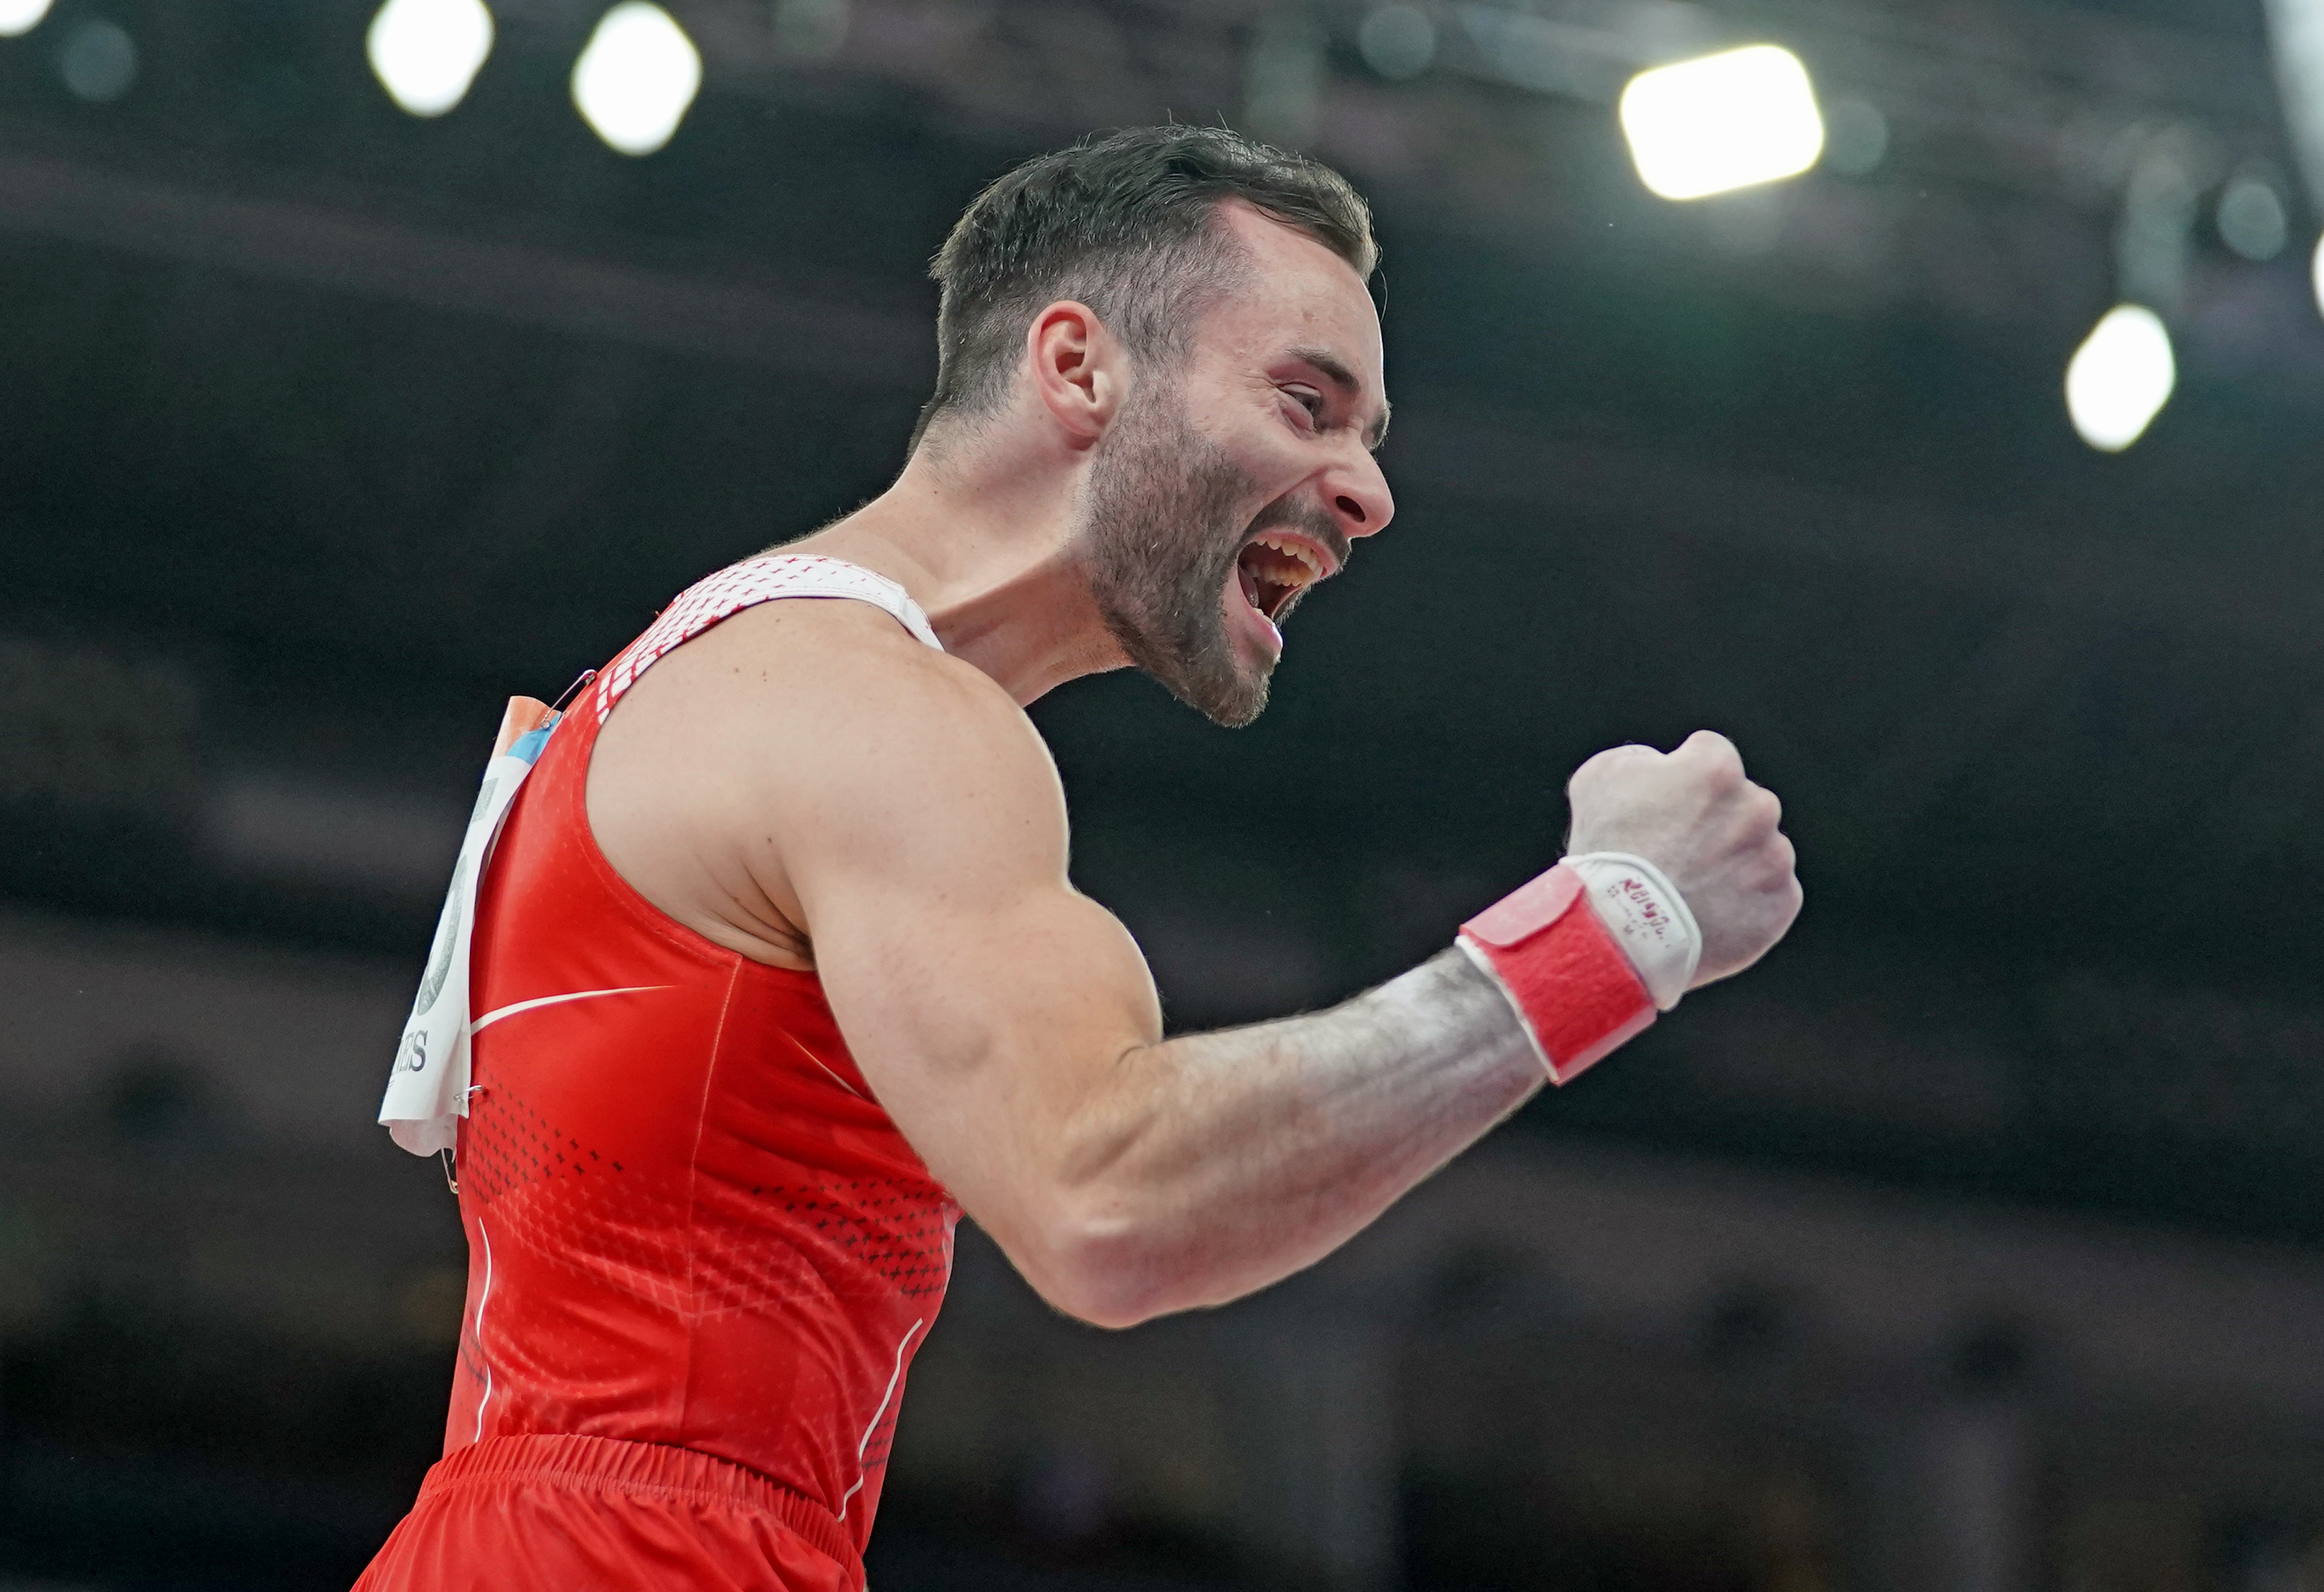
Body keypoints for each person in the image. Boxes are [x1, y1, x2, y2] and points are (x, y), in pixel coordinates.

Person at [355, 124, 1801, 1591]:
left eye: (1368, 440)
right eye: (1308, 403)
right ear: (1078, 367)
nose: (1366, 492)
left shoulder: (710, 668)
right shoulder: (873, 707)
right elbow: (1110, 1201)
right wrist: (1619, 926)